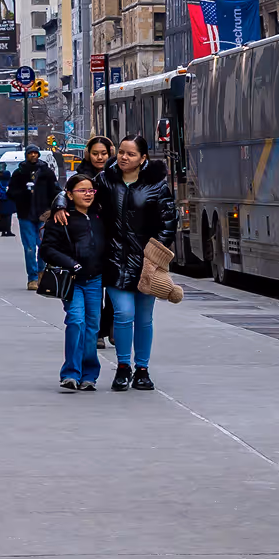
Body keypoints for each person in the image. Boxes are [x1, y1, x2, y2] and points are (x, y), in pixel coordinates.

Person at [57, 134, 175, 391]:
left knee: (144, 318)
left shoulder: (156, 185)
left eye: (131, 154)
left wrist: (155, 254)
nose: (124, 157)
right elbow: (78, 191)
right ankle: (123, 367)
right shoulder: (105, 180)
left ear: (143, 158)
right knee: (123, 314)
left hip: (147, 263)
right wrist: (59, 204)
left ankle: (142, 369)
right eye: (121, 152)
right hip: (114, 260)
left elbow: (168, 221)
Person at [40, 173, 108, 392]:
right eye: (82, 191)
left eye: (91, 190)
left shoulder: (99, 216)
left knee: (92, 328)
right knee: (76, 322)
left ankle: (89, 375)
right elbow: (47, 250)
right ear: (69, 194)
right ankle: (70, 373)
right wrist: (72, 264)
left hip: (95, 280)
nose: (88, 194)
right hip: (73, 280)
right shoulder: (62, 218)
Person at [75, 137, 116, 346]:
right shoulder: (81, 175)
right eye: (95, 153)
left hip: (115, 236)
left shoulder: (117, 174)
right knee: (94, 287)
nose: (99, 157)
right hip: (90, 235)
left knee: (114, 286)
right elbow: (66, 195)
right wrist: (59, 207)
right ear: (88, 154)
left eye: (103, 153)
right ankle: (98, 331)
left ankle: (111, 325)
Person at [10, 146, 60, 290]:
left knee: (43, 245)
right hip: (25, 214)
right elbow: (11, 192)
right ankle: (32, 278)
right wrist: (23, 193)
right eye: (30, 153)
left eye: (35, 153)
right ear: (26, 155)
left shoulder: (46, 172)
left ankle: (41, 273)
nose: (33, 155)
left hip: (43, 214)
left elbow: (55, 190)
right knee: (30, 248)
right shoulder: (19, 173)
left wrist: (52, 208)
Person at [0, 166, 16, 236]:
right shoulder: (10, 183)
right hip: (8, 201)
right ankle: (8, 231)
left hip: (1, 201)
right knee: (8, 217)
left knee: (2, 217)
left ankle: (3, 231)